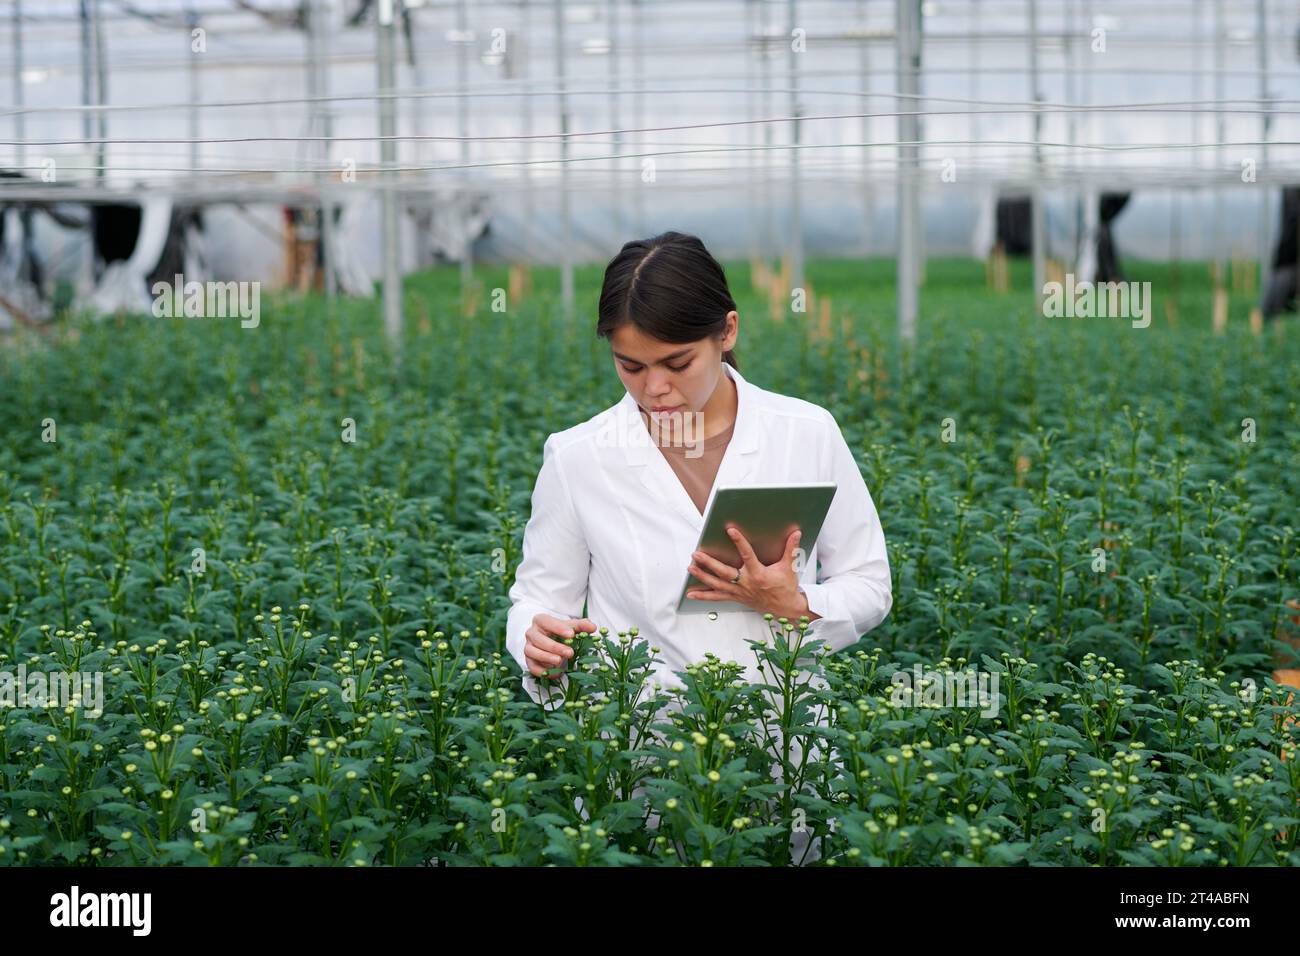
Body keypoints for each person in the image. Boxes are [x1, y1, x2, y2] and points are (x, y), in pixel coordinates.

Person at [504, 230, 892, 862]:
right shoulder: (579, 458)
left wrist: (796, 606)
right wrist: (532, 634)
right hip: (639, 756)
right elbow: (537, 597)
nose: (654, 388)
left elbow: (871, 583)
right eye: (631, 366)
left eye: (677, 363)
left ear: (727, 332)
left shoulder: (805, 434)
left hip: (781, 745)